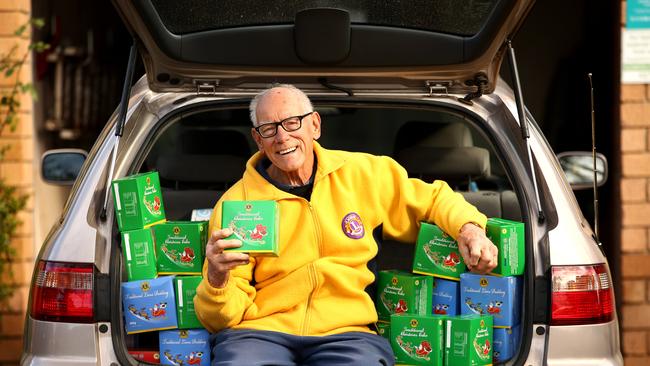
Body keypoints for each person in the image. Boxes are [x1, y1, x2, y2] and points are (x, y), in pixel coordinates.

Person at [194, 84, 498, 365]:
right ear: (258, 139)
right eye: (269, 128)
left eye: (292, 122)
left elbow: (434, 199)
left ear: (315, 124)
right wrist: (218, 278)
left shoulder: (365, 173)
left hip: (347, 332)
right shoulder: (236, 204)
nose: (282, 136)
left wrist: (469, 229)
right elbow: (219, 320)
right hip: (259, 333)